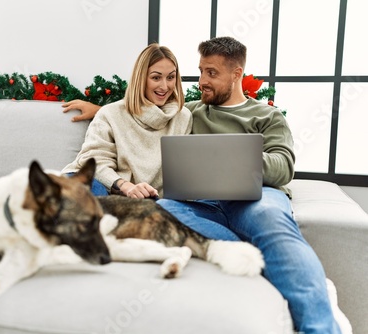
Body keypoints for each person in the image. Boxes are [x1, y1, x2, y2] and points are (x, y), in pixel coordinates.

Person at [62, 37, 343, 333]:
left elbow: (284, 166)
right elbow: (140, 112)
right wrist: (99, 109)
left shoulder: (266, 115)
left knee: (270, 222)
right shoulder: (191, 111)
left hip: (255, 197)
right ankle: (257, 255)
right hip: (198, 202)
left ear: (236, 75)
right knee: (160, 211)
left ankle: (320, 328)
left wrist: (236, 157)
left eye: (212, 73)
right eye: (200, 71)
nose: (202, 81)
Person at [61, 43, 192, 198]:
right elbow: (94, 162)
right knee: (86, 196)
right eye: (156, 77)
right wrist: (126, 186)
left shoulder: (182, 117)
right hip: (104, 184)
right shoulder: (110, 113)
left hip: (147, 197)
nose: (165, 86)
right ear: (141, 78)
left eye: (170, 77)